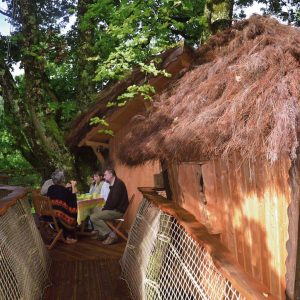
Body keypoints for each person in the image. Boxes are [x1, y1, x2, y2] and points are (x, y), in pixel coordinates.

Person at [90, 168, 129, 245]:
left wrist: (104, 209)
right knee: (93, 210)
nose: (104, 177)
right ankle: (102, 234)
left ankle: (111, 235)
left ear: (111, 174)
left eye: (105, 175)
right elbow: (110, 201)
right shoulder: (113, 184)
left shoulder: (118, 184)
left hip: (118, 212)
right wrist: (103, 208)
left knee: (93, 217)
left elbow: (113, 202)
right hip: (114, 209)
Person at [47, 170, 78, 244]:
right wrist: (73, 186)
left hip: (49, 215)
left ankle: (61, 234)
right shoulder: (64, 191)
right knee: (74, 212)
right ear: (63, 180)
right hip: (59, 217)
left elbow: (59, 192)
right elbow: (73, 202)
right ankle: (68, 236)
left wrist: (65, 187)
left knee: (64, 210)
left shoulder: (50, 188)